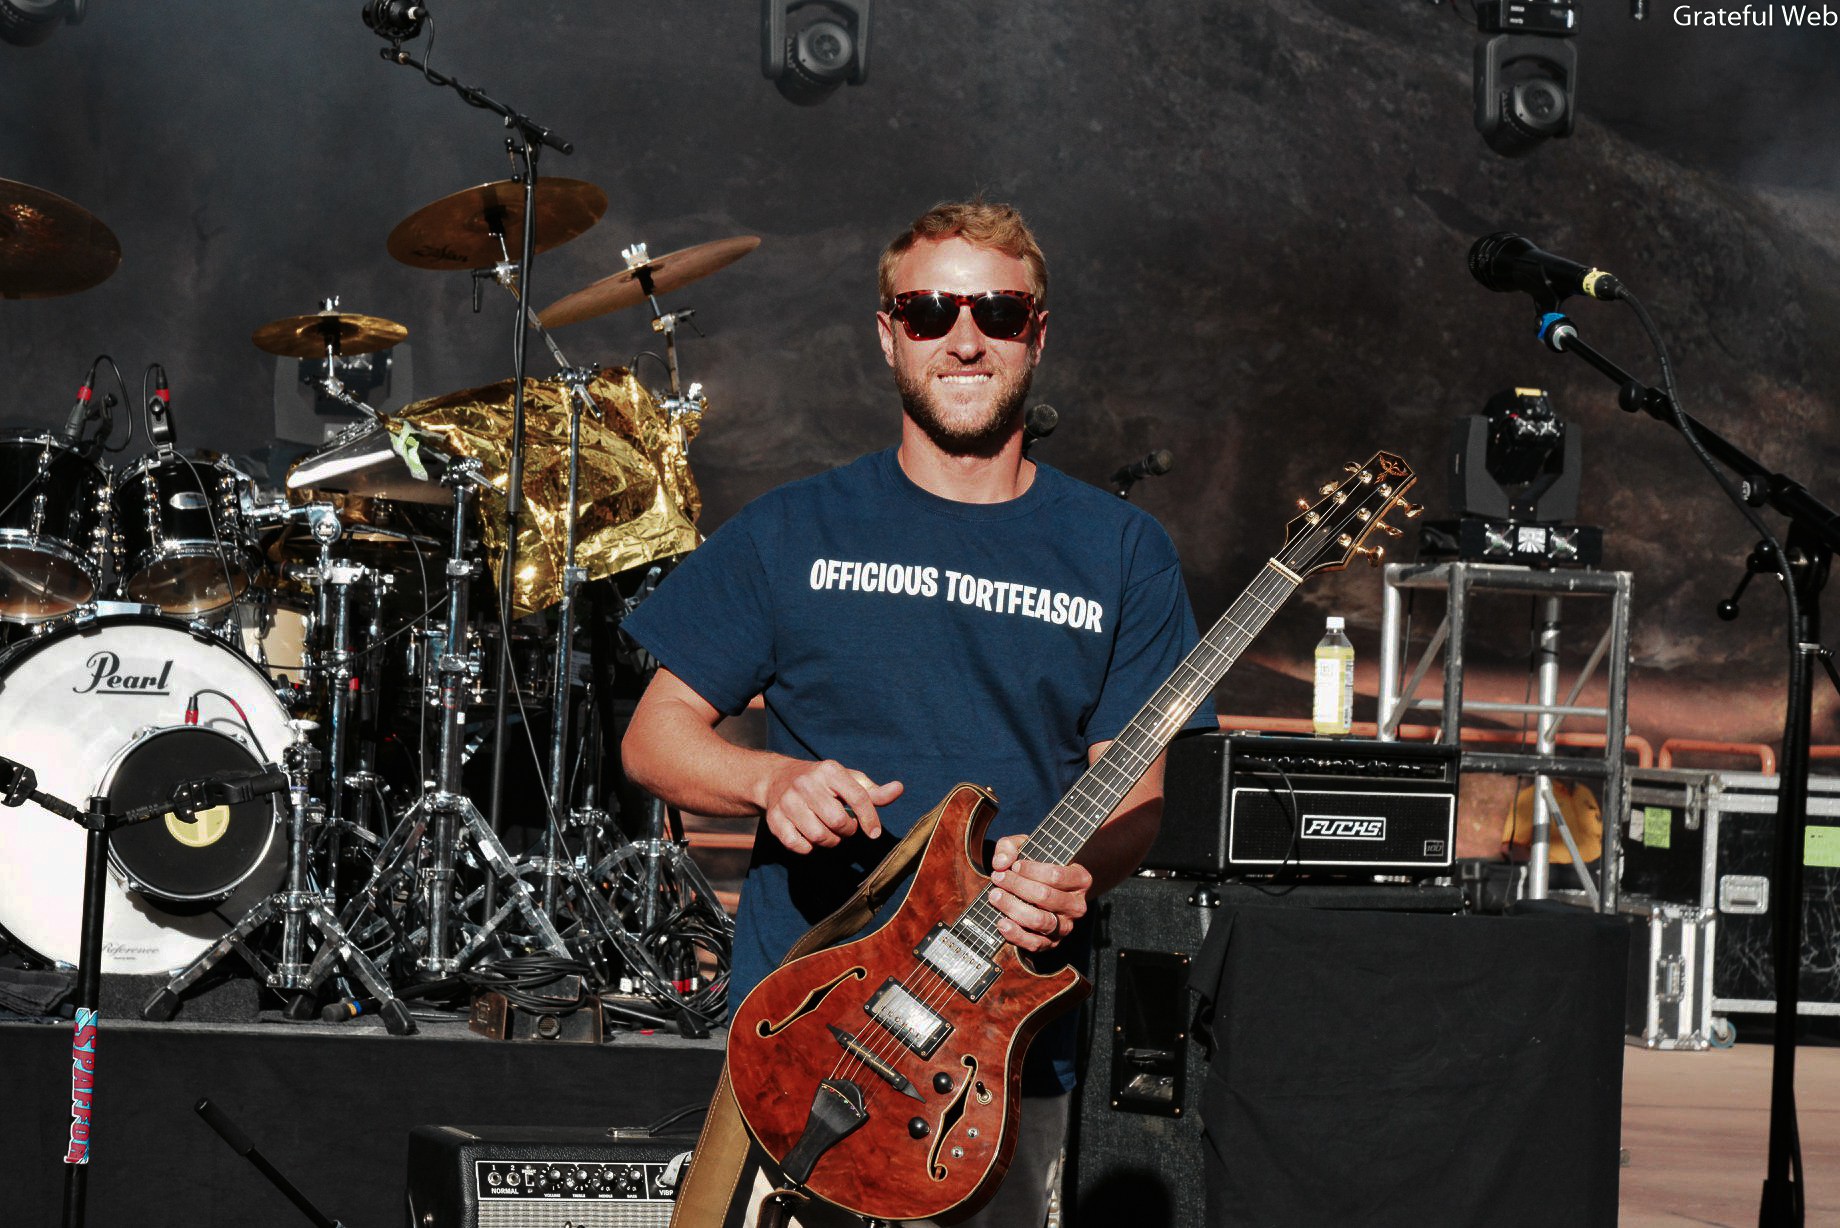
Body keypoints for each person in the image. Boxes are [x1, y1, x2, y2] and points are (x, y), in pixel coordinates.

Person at [620, 198, 1216, 1226]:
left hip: (991, 1059)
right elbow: (654, 734)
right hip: (802, 1039)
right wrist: (769, 779)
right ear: (889, 332)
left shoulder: (1120, 550)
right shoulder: (795, 528)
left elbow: (1140, 790)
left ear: (1038, 330)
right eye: (931, 309)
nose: (964, 336)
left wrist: (1076, 871)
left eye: (996, 308)